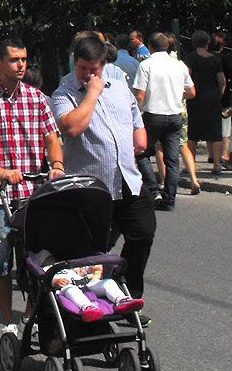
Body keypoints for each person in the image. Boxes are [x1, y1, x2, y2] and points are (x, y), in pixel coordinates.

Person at [0, 37, 65, 334]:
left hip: (33, 194)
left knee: (36, 260)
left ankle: (29, 315)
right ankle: (8, 321)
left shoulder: (37, 98)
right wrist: (1, 172)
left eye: (23, 60)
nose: (21, 66)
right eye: (14, 60)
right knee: (0, 260)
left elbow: (52, 139)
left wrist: (56, 165)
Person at [53, 34, 156, 297]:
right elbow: (74, 127)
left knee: (143, 233)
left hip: (127, 178)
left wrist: (139, 130)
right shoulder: (64, 92)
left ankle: (128, 292)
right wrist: (92, 94)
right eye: (83, 69)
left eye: (94, 70)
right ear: (74, 63)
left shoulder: (118, 82)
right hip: (91, 188)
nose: (88, 75)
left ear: (103, 65)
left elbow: (134, 108)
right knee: (91, 252)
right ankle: (91, 302)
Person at [134, 33, 195, 210]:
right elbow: (191, 92)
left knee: (142, 153)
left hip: (153, 114)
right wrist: (176, 94)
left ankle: (154, 191)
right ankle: (170, 200)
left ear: (150, 47)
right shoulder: (179, 66)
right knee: (172, 159)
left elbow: (140, 95)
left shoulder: (146, 65)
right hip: (175, 115)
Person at [185, 31, 227, 177]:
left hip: (195, 98)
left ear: (193, 43)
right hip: (213, 98)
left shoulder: (190, 58)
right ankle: (217, 165)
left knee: (193, 133)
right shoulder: (215, 59)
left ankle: (191, 165)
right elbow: (222, 81)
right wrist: (218, 94)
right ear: (208, 43)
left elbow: (187, 76)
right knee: (215, 133)